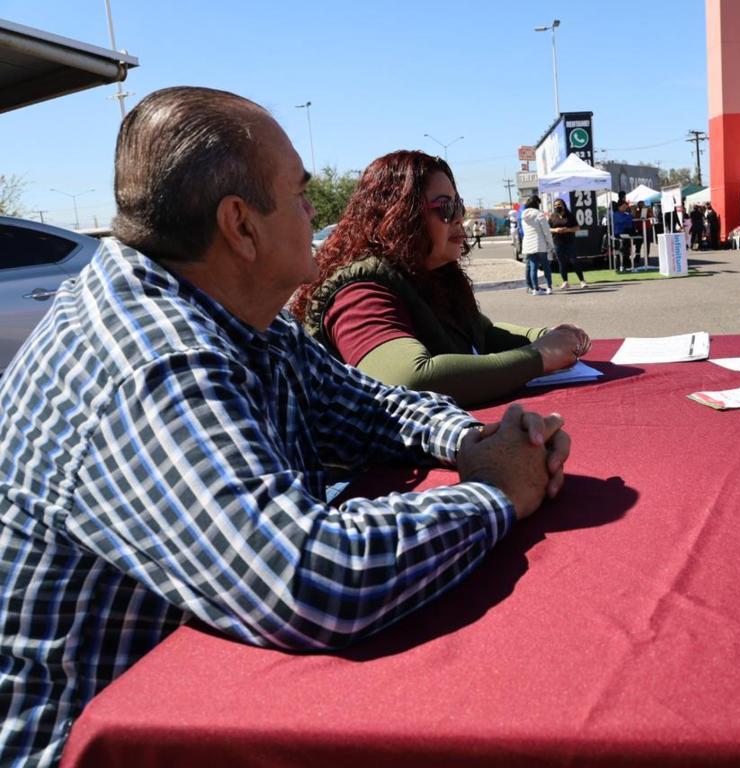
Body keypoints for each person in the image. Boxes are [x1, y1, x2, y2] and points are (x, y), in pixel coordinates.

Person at [0, 86, 573, 768]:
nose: (315, 214)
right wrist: (495, 493)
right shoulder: (151, 362)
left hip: (193, 696)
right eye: (301, 195)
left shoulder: (236, 313)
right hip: (90, 744)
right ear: (240, 227)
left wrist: (469, 441)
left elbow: (366, 404)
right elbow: (308, 579)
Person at [293, 158, 589, 406]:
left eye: (459, 206)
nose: (460, 218)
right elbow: (409, 379)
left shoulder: (429, 273)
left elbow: (483, 332)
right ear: (399, 218)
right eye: (445, 208)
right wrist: (539, 356)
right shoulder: (359, 291)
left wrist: (545, 335)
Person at [520, 195, 556, 295]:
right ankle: (549, 287)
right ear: (536, 204)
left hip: (528, 244)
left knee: (533, 267)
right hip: (540, 243)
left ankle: (535, 289)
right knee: (546, 267)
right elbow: (546, 231)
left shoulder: (523, 215)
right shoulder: (539, 214)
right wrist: (551, 244)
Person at [549, 198, 587, 289]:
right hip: (558, 242)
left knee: (574, 261)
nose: (557, 207)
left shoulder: (570, 215)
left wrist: (568, 230)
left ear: (563, 205)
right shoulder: (552, 216)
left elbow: (577, 228)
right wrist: (556, 230)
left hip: (569, 242)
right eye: (555, 205)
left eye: (559, 205)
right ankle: (565, 282)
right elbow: (548, 229)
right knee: (561, 263)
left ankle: (582, 281)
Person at [611, 200, 636, 272]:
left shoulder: (626, 214)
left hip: (625, 233)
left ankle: (626, 260)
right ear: (619, 207)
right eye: (623, 206)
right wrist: (630, 216)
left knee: (628, 244)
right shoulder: (616, 214)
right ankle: (622, 261)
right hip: (618, 233)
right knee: (625, 245)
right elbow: (623, 221)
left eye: (626, 207)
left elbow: (630, 223)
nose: (625, 208)